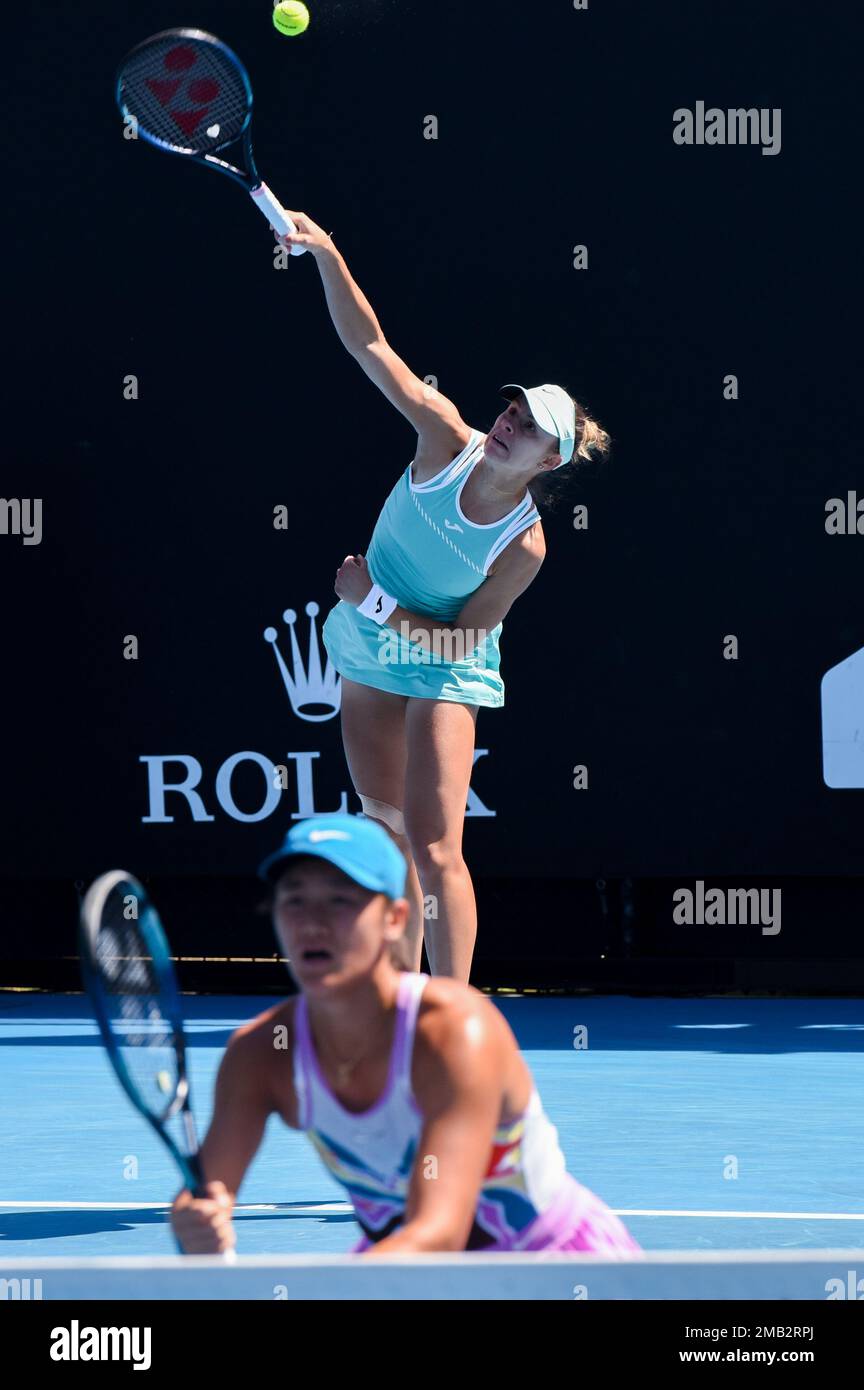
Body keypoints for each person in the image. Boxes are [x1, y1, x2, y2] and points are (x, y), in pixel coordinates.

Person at [268, 212, 611, 982]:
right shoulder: (442, 437)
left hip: (442, 658)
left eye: (527, 430)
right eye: (512, 410)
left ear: (550, 462)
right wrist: (326, 252)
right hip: (367, 639)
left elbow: (460, 642)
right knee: (384, 831)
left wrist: (375, 602)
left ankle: (453, 1015)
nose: (507, 424)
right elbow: (371, 346)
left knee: (434, 844)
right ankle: (397, 1003)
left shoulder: (524, 547)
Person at [171, 814, 639, 1258]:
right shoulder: (259, 1053)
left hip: (556, 1267)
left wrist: (327, 1289)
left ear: (395, 918)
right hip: (400, 1269)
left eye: (340, 900)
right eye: (294, 900)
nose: (312, 923)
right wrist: (194, 1222)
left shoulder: (456, 1032)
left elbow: (438, 1234)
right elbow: (211, 1191)